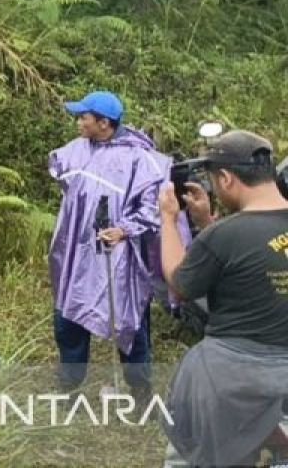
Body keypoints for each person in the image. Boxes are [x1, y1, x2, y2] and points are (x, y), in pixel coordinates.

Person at [159, 131, 288, 468]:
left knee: (189, 456)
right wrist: (206, 222)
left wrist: (169, 220)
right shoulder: (224, 233)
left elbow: (179, 284)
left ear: (227, 178)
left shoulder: (225, 236)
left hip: (231, 377)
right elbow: (259, 255)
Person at [47, 91, 169, 396]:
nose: (78, 122)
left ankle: (140, 391)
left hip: (119, 256)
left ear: (103, 123)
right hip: (76, 252)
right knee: (69, 316)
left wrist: (124, 229)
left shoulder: (139, 159)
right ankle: (69, 388)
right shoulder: (76, 150)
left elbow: (154, 206)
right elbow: (62, 177)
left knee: (130, 320)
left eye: (83, 117)